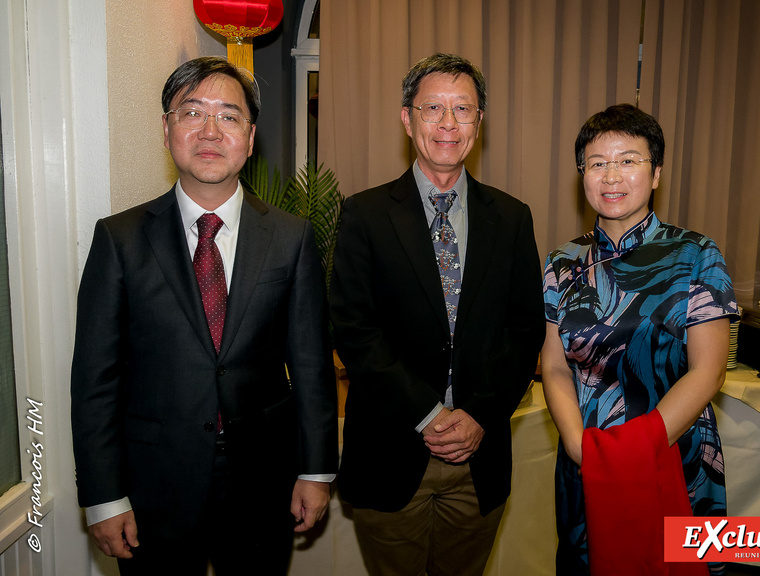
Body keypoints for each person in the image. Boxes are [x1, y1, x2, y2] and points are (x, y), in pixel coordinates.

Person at [70, 56, 337, 575]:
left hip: (264, 482)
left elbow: (311, 368)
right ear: (166, 129)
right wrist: (104, 496)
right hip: (153, 486)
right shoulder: (119, 240)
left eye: (229, 116)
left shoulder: (292, 238)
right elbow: (94, 381)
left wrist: (317, 470)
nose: (211, 130)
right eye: (191, 112)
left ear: (251, 136)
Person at [329, 53, 545, 576]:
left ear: (479, 121)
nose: (448, 124)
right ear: (408, 118)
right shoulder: (364, 214)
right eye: (433, 109)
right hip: (391, 452)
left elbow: (524, 331)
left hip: (480, 456)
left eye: (463, 109)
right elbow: (355, 332)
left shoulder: (512, 218)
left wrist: (478, 416)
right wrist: (431, 414)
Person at [541, 104, 738, 575]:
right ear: (582, 175)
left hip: (673, 454)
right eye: (597, 163)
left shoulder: (696, 253)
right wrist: (576, 445)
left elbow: (708, 371)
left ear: (655, 175)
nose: (611, 175)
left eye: (628, 160)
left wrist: (634, 449)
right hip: (587, 458)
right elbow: (553, 365)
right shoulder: (562, 262)